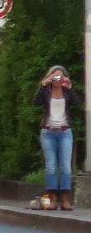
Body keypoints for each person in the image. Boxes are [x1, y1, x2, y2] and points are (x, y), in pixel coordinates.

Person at [34, 65, 82, 210]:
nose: (57, 79)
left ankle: (65, 200)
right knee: (51, 166)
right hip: (48, 133)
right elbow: (36, 103)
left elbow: (77, 104)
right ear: (50, 77)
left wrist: (70, 88)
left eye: (60, 76)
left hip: (64, 132)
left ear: (64, 78)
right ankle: (53, 199)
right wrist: (43, 85)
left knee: (65, 167)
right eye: (54, 76)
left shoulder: (66, 91)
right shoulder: (46, 91)